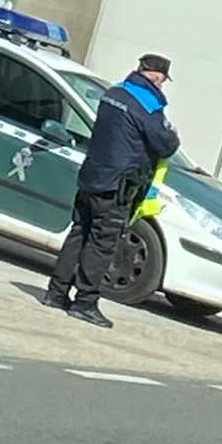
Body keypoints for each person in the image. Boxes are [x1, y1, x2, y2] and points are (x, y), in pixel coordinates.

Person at [43, 53, 180, 329]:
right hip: (117, 184)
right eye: (163, 80)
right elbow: (166, 144)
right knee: (102, 243)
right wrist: (173, 134)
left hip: (92, 176)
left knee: (79, 233)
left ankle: (56, 293)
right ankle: (85, 302)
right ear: (156, 76)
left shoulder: (113, 93)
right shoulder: (148, 104)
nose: (162, 86)